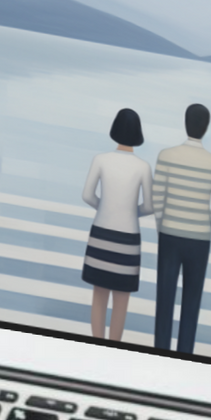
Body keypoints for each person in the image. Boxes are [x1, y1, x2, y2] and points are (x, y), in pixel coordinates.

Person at [152, 104, 211, 355]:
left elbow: (157, 200)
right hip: (200, 241)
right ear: (206, 128)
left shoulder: (166, 155)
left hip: (170, 235)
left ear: (185, 123)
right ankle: (185, 356)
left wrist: (164, 226)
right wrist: (203, 224)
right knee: (191, 304)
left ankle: (160, 353)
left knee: (164, 300)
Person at [80, 108, 152, 343]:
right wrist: (130, 211)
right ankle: (115, 348)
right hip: (128, 239)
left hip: (101, 233)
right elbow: (150, 206)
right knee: (122, 299)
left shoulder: (100, 159)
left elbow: (88, 196)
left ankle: (96, 345)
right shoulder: (143, 167)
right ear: (138, 134)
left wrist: (106, 208)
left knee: (98, 296)